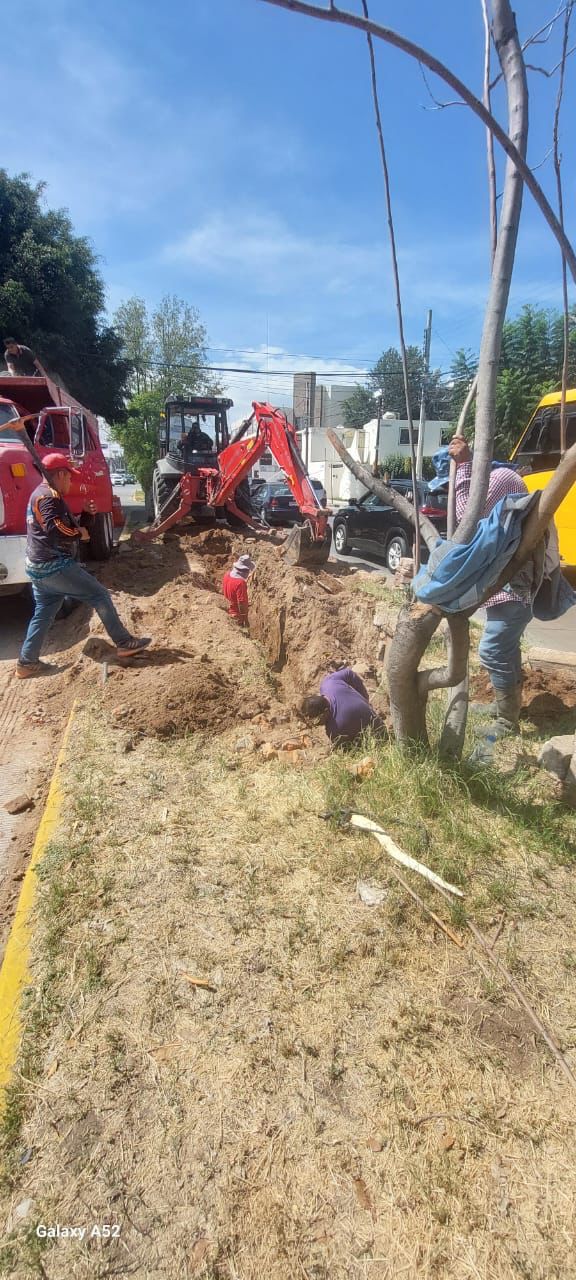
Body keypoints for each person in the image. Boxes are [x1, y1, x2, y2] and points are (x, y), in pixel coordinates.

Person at [16, 452, 150, 679]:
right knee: (99, 595)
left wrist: (86, 517)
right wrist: (78, 532)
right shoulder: (49, 496)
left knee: (44, 613)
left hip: (38, 567)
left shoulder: (40, 494)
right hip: (54, 566)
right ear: (59, 474)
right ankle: (124, 642)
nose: (71, 481)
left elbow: (64, 526)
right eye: (69, 477)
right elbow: (55, 528)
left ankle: (27, 663)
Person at [448, 436, 530, 734]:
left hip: (513, 587)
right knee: (507, 649)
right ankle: (504, 704)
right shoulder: (499, 477)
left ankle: (508, 721)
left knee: (492, 650)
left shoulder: (501, 477)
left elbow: (465, 518)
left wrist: (463, 467)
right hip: (506, 586)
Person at [301, 666, 386, 747]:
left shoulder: (335, 729)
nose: (318, 724)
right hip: (375, 718)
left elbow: (347, 750)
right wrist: (364, 697)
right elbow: (349, 673)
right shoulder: (328, 684)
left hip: (380, 737)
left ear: (326, 711)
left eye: (317, 721)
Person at [221, 554, 256, 627]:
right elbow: (241, 603)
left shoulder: (227, 574)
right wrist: (245, 619)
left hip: (227, 610)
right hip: (236, 615)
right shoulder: (240, 583)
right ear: (245, 570)